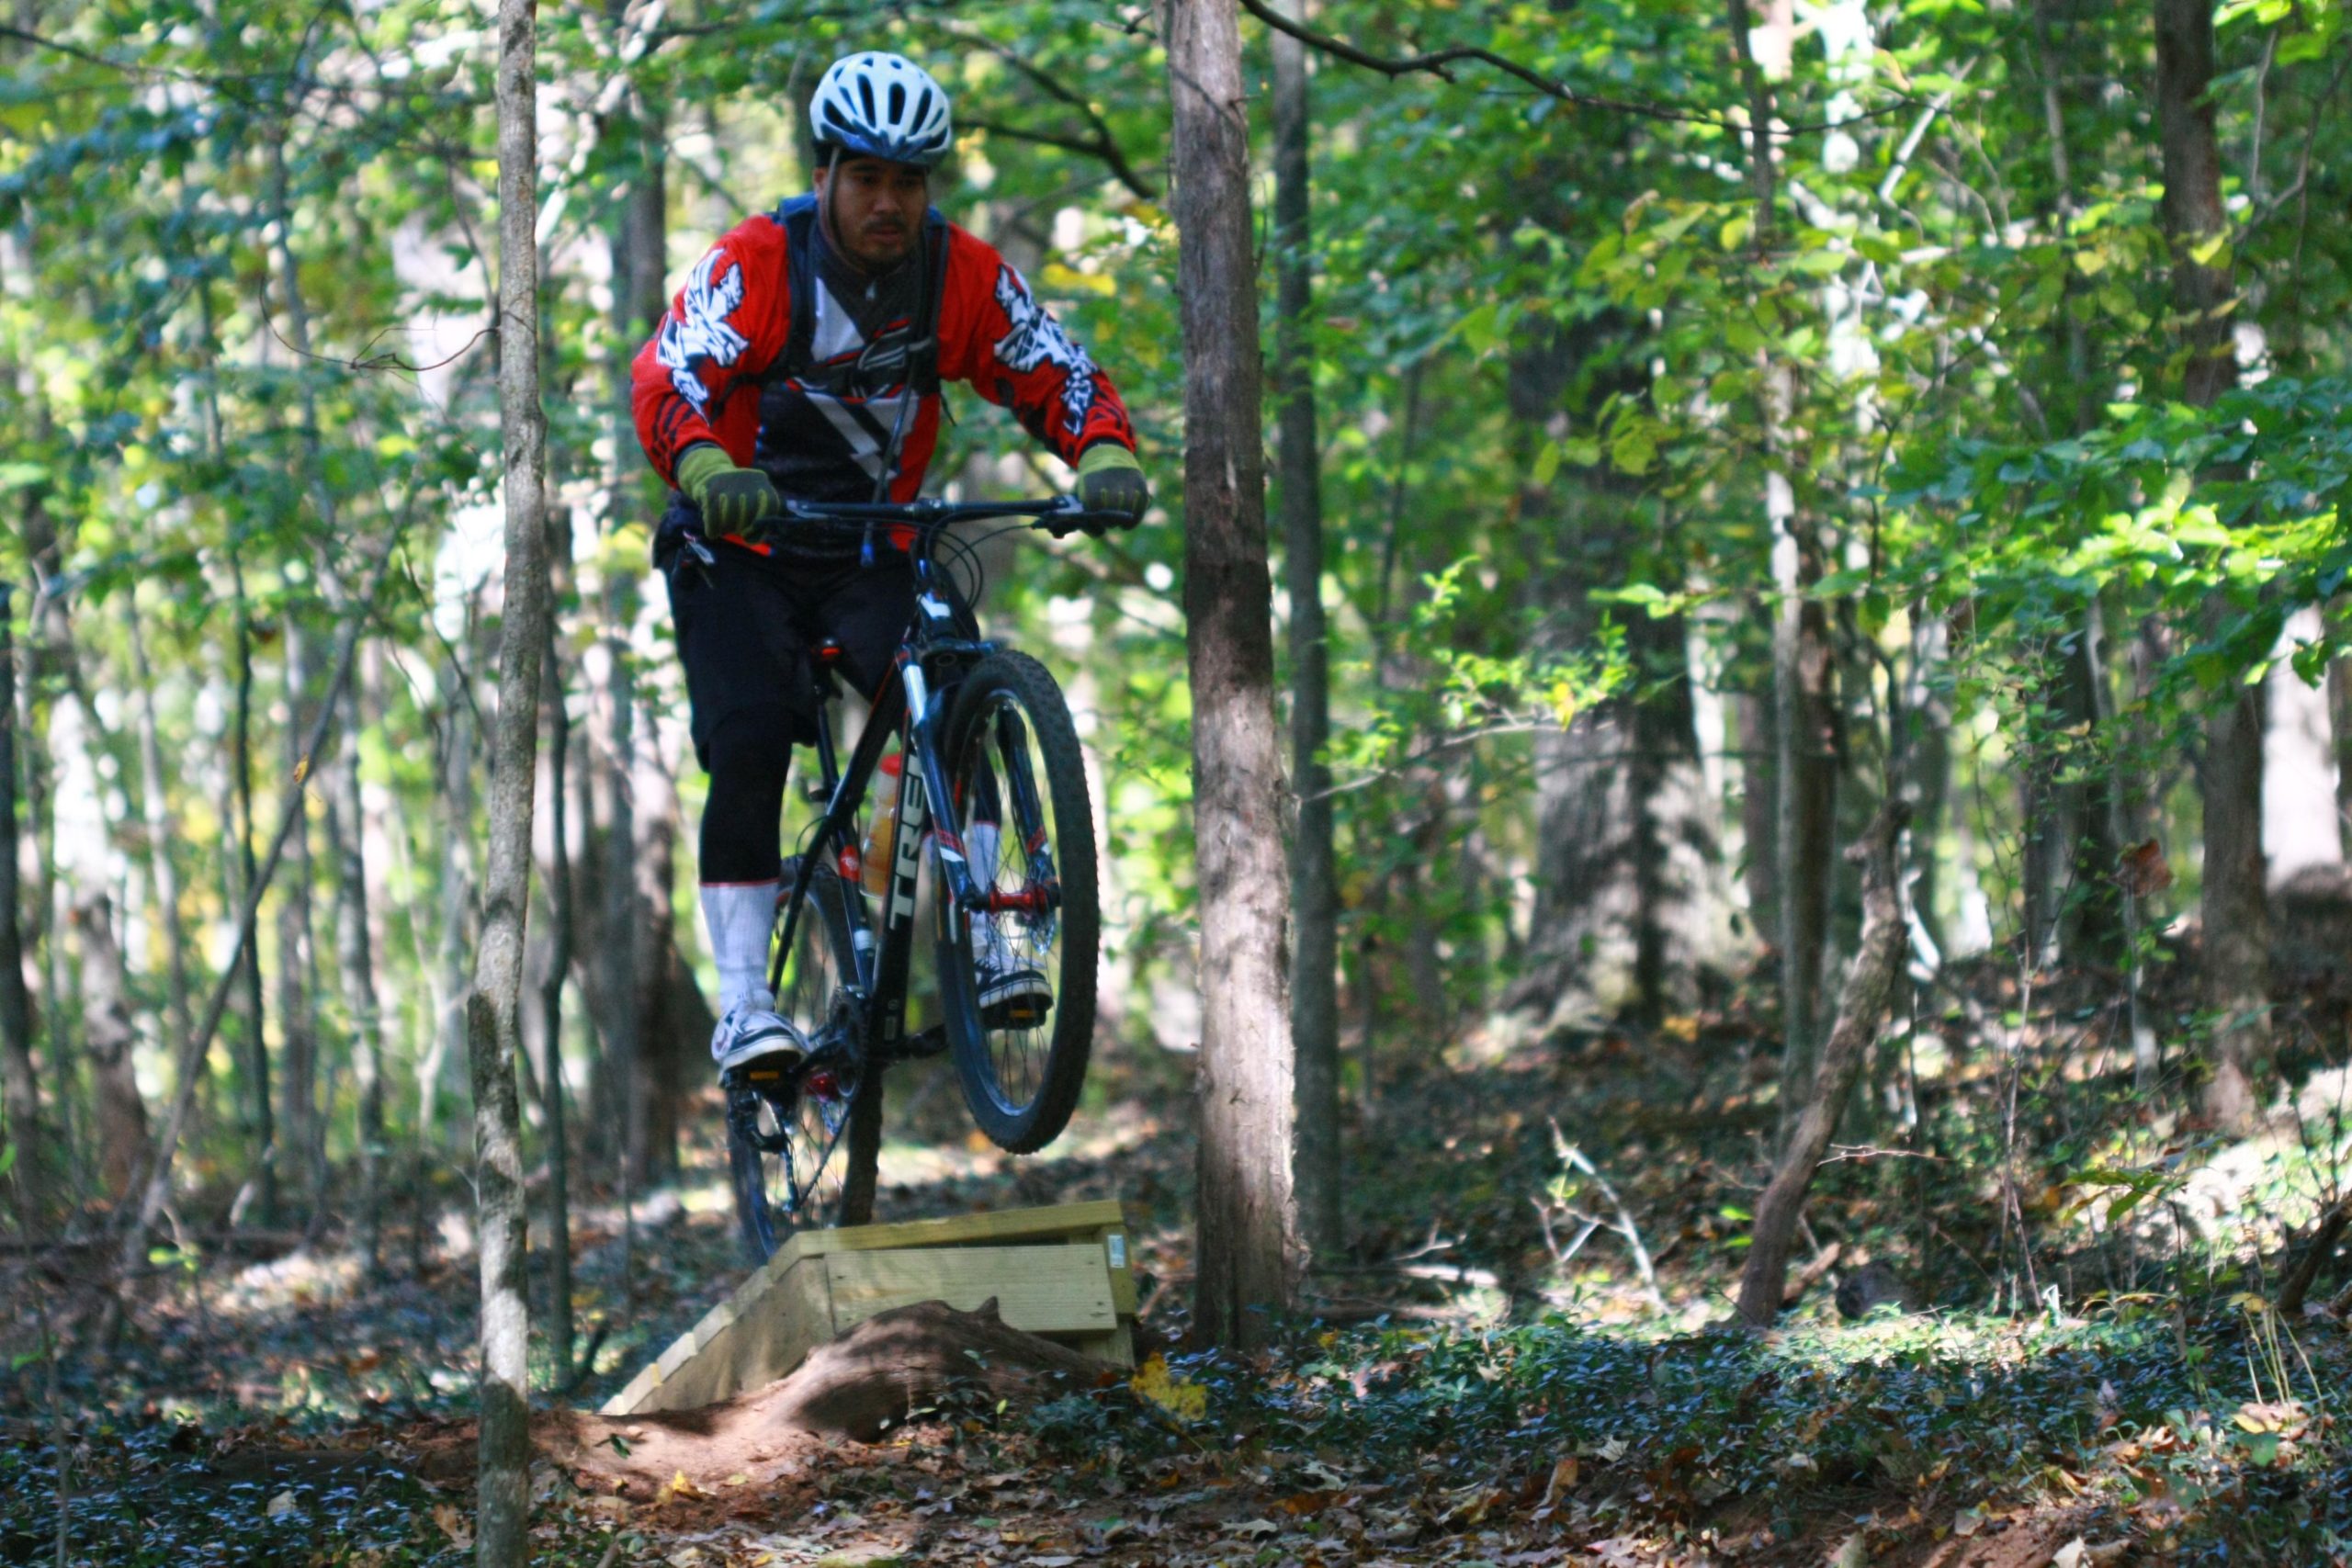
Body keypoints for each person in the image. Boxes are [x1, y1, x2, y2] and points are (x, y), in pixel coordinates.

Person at [631, 51, 1148, 1078]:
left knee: (953, 689)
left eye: (908, 182)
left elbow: (1052, 365)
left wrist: (1102, 451)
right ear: (823, 173)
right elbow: (669, 372)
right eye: (866, 177)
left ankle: (997, 930)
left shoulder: (958, 275)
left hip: (873, 545)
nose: (887, 202)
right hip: (740, 550)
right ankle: (744, 1006)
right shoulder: (757, 265)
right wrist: (702, 462)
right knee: (748, 740)